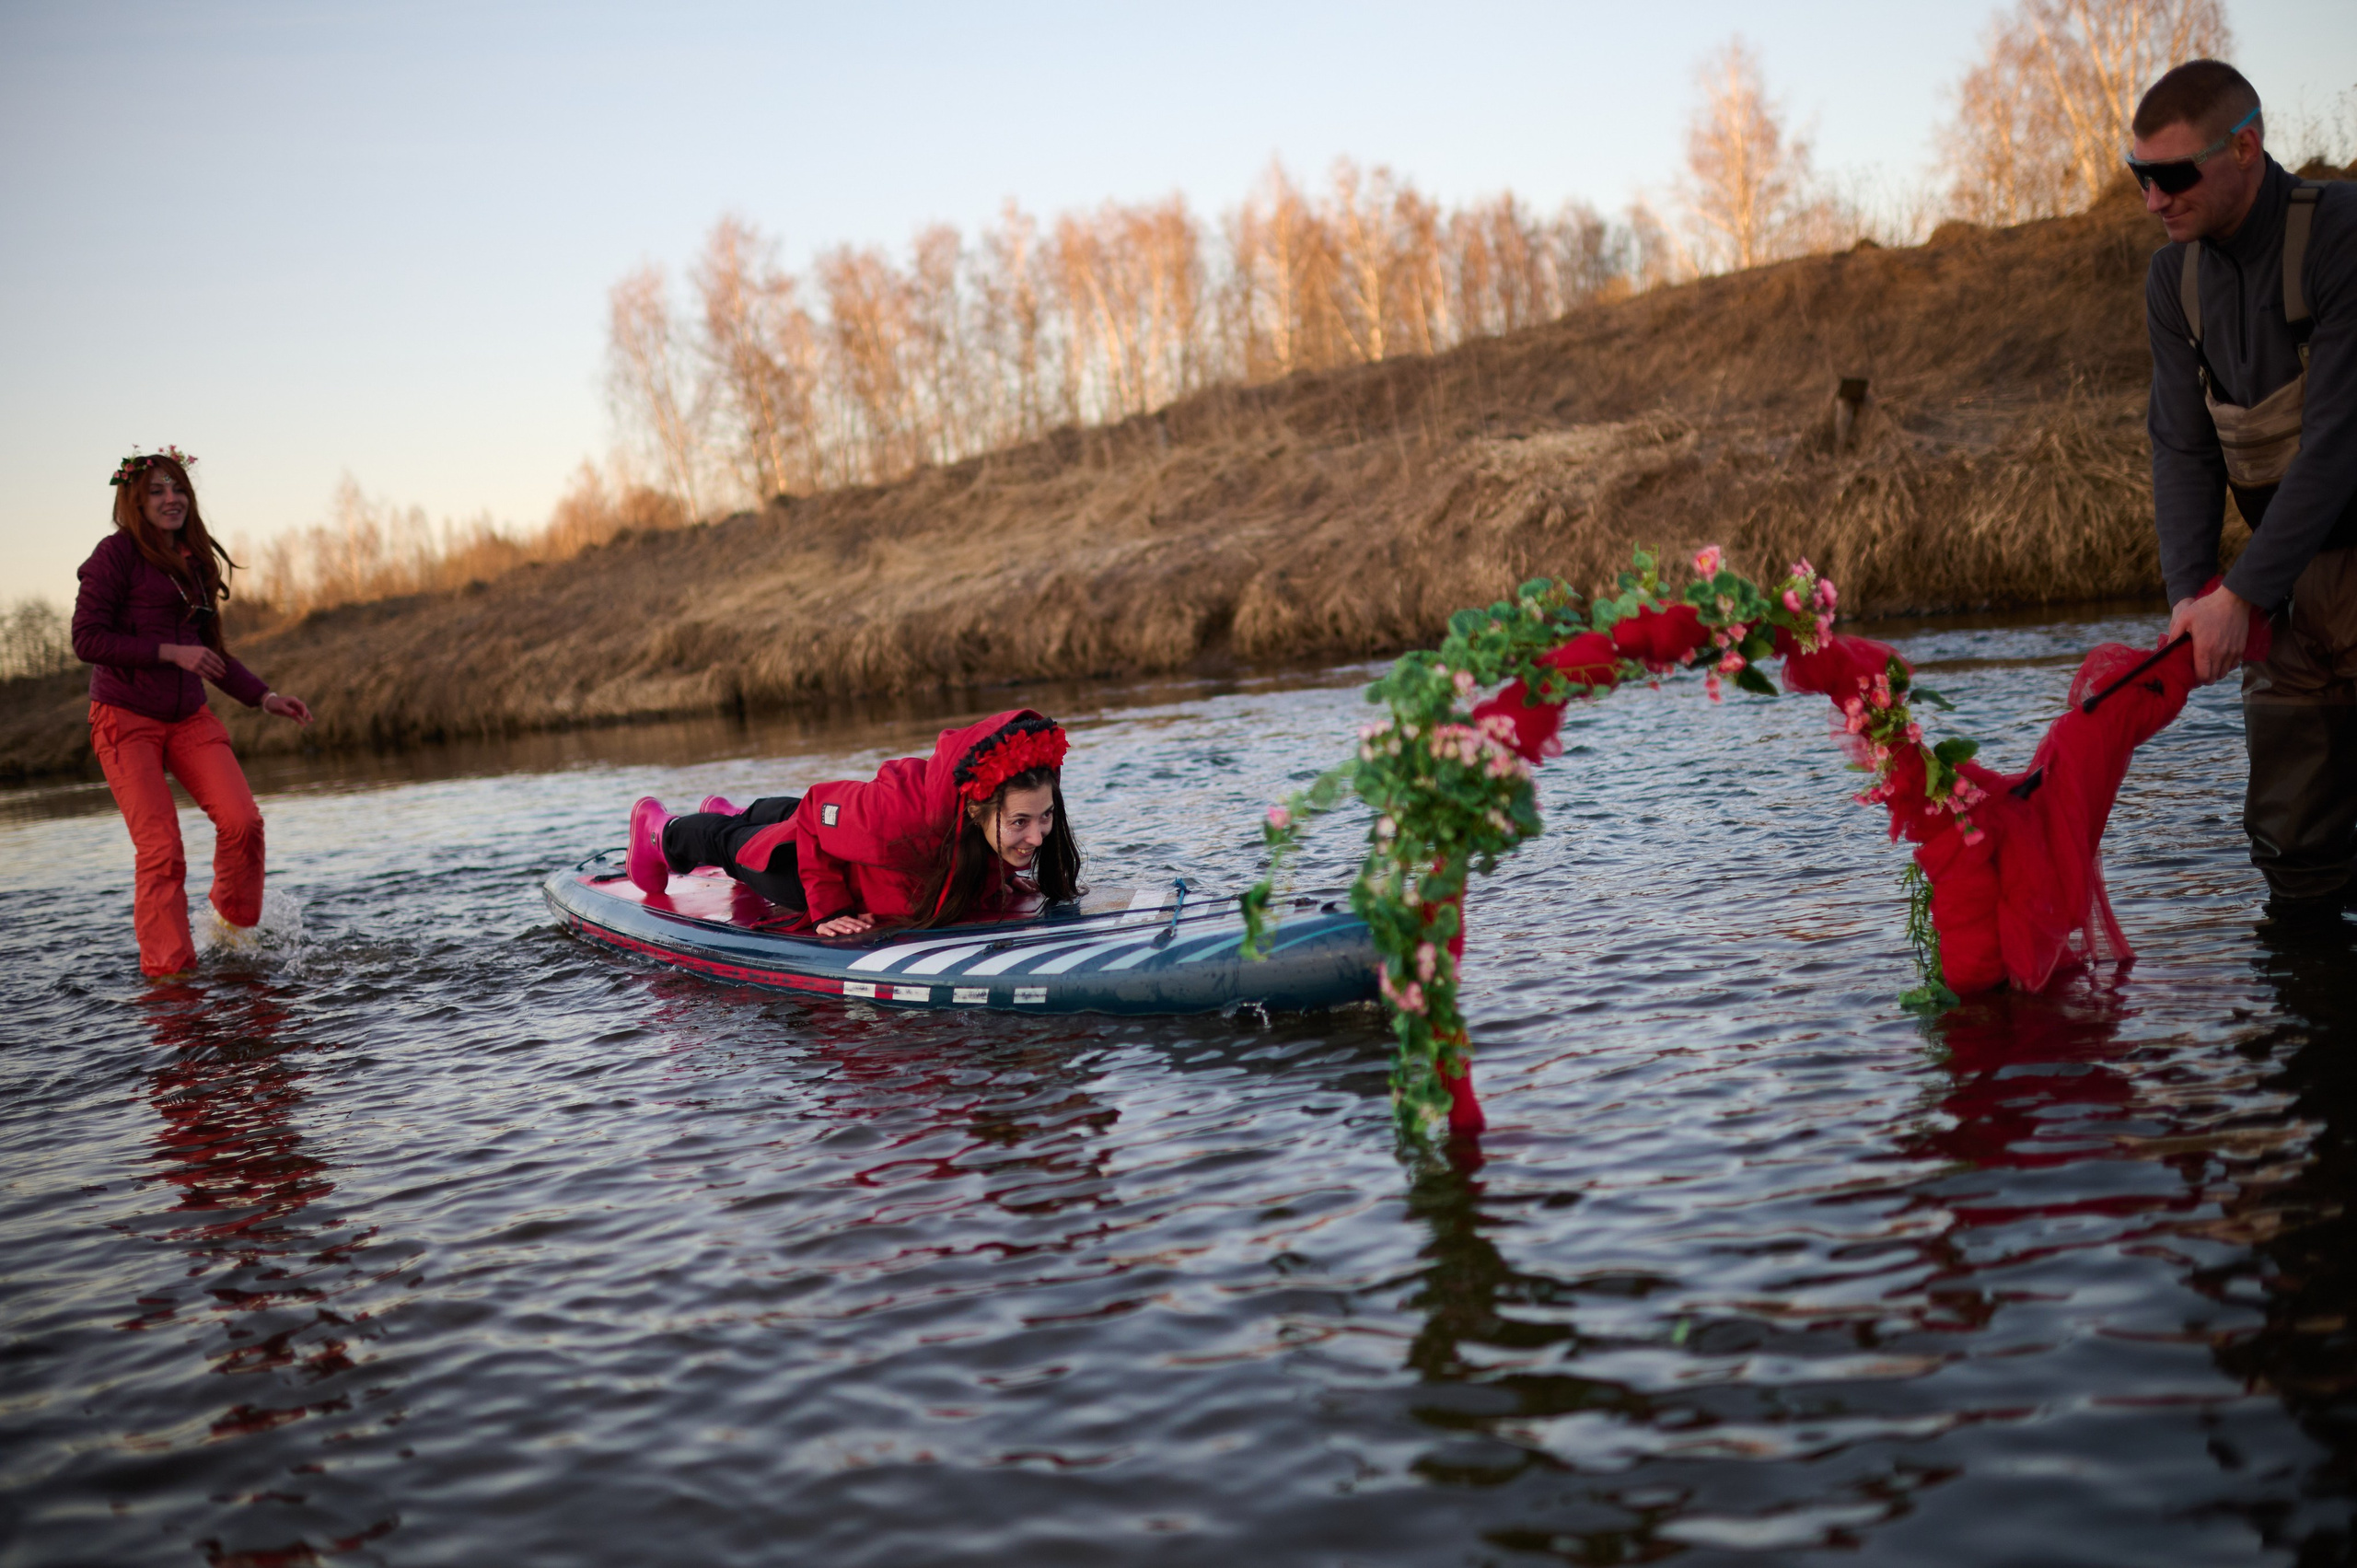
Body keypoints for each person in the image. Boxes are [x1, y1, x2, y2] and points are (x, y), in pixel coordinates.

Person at [2138, 60, 2357, 912]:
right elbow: (2181, 447)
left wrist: (2242, 592)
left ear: (2246, 149)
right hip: (2287, 604)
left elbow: (2341, 441)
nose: (2154, 200)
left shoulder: (2340, 230)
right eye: (2140, 178)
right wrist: (2194, 595)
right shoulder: (2171, 279)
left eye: (2172, 175)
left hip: (2296, 569)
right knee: (2293, 856)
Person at [72, 448, 314, 977]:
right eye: (156, 491)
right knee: (162, 850)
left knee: (243, 821)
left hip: (188, 717)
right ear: (134, 502)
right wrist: (167, 652)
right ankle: (171, 978)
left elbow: (211, 654)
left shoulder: (196, 561)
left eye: (177, 488)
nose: (171, 499)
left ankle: (233, 933)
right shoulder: (115, 556)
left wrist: (263, 697)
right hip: (123, 717)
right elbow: (86, 639)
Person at [623, 710, 1081, 934]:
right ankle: (662, 830)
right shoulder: (898, 819)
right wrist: (830, 909)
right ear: (978, 809)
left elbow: (973, 850)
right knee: (739, 850)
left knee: (773, 822)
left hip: (860, 848)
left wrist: (995, 877)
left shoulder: (984, 818)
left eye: (1046, 818)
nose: (1038, 836)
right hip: (815, 867)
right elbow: (819, 809)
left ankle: (732, 813)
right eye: (1021, 822)